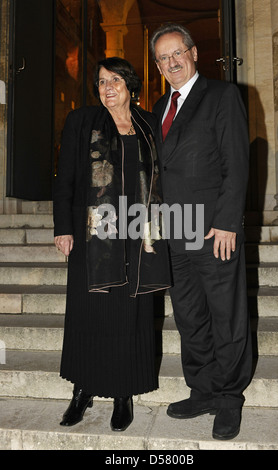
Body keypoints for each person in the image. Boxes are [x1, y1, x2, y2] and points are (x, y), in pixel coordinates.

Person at [53, 57, 171, 432]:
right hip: (93, 234)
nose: (107, 88)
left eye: (115, 80)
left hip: (139, 235)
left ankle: (124, 394)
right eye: (101, 81)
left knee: (131, 315)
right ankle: (82, 390)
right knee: (89, 313)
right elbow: (67, 176)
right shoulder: (82, 121)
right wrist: (63, 227)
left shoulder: (149, 124)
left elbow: (163, 178)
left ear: (130, 86)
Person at [150, 23, 252, 440]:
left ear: (193, 53)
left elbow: (236, 162)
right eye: (163, 58)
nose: (171, 62)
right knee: (190, 317)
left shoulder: (223, 96)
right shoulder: (159, 107)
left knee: (226, 315)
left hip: (213, 228)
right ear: (158, 65)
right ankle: (203, 389)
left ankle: (229, 398)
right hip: (174, 229)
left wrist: (228, 221)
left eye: (177, 53)